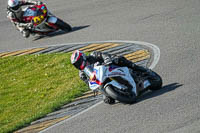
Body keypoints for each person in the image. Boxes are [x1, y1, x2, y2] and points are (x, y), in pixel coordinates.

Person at [71, 50, 149, 104]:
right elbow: (88, 83)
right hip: (101, 80)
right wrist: (93, 87)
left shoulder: (93, 55)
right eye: (76, 64)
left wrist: (107, 59)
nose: (78, 65)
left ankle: (139, 69)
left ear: (83, 57)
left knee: (119, 59)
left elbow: (103, 55)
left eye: (78, 62)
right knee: (108, 100)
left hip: (109, 67)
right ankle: (121, 91)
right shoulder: (82, 73)